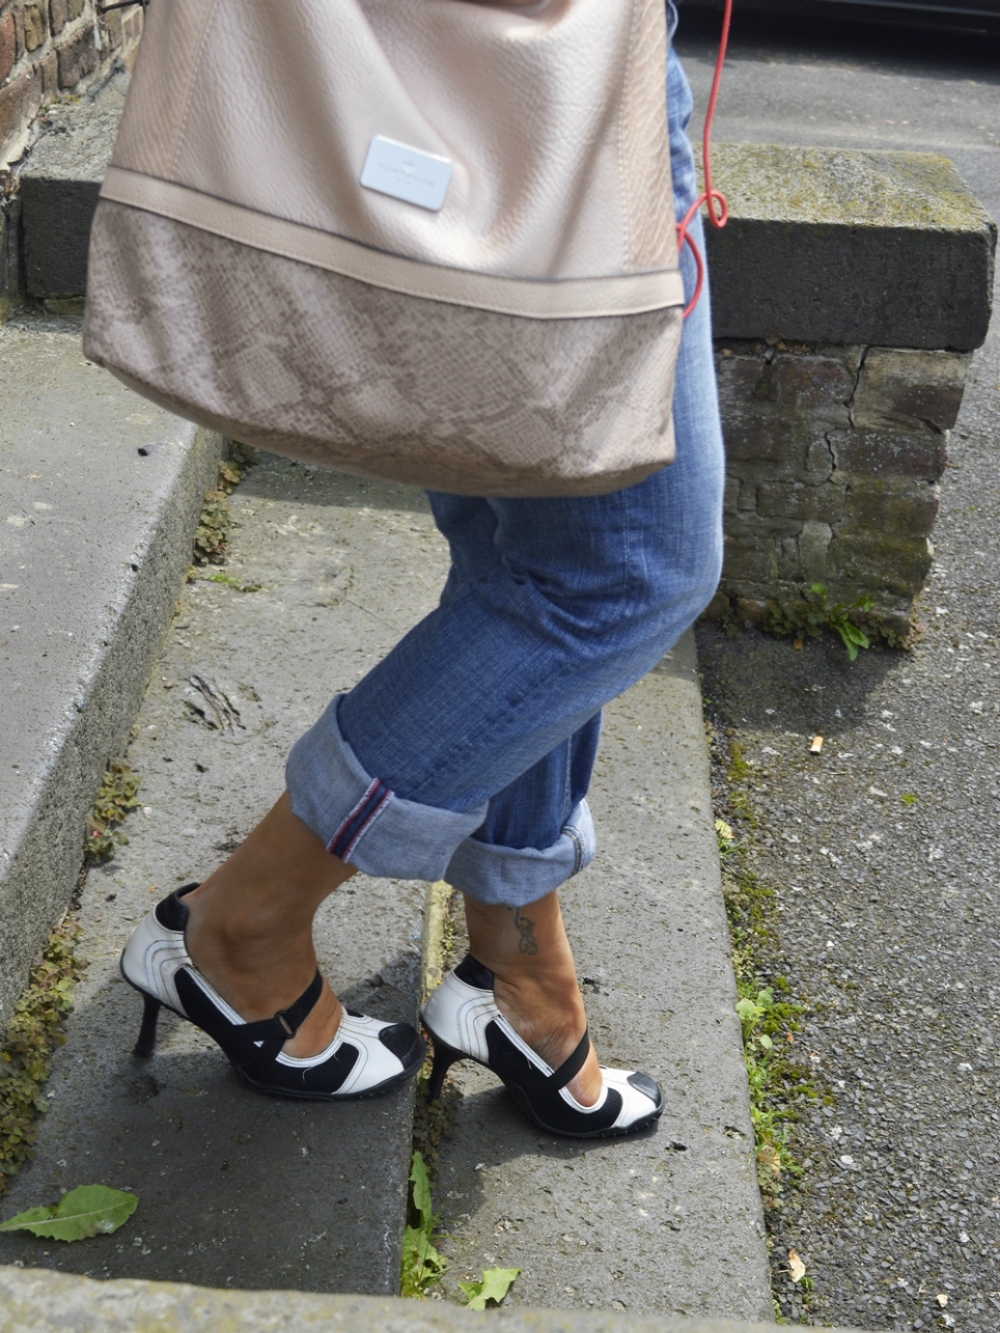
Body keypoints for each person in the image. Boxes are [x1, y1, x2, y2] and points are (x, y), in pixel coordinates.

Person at [120, 0, 724, 1140]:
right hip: (540, 74)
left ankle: (515, 955)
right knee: (627, 573)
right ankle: (245, 920)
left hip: (554, 65)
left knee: (532, 561)